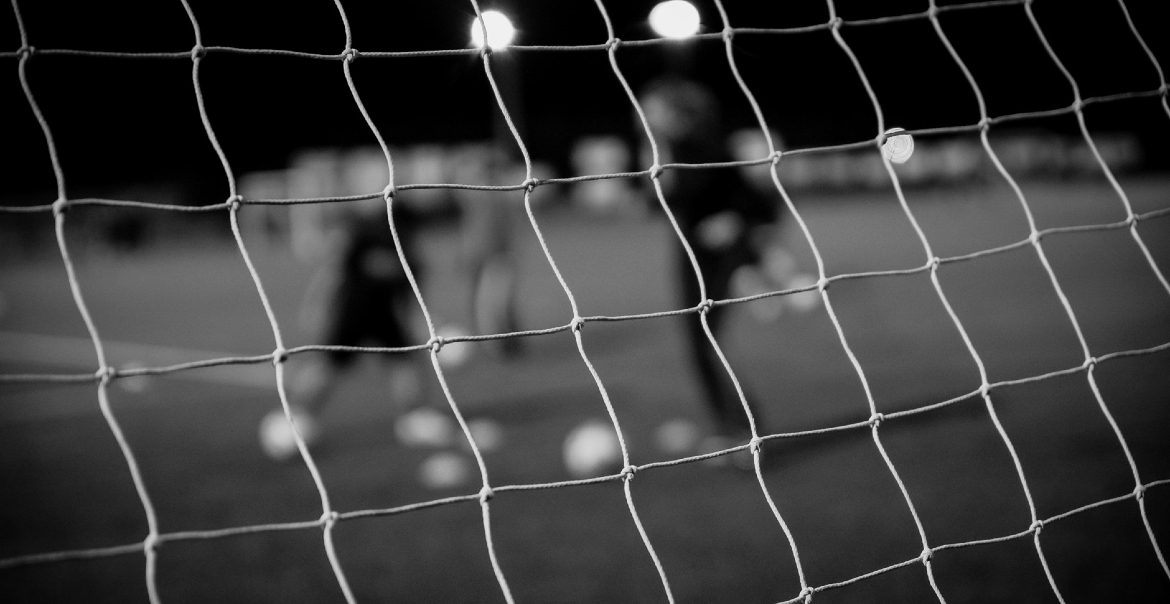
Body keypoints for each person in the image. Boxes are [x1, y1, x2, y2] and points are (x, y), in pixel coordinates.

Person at [637, 77, 789, 451]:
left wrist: (735, 221)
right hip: (690, 258)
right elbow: (659, 204)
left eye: (653, 108)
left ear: (678, 113)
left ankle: (744, 433)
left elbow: (762, 205)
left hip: (720, 259)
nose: (645, 115)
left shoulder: (711, 147)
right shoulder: (666, 151)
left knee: (708, 342)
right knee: (698, 344)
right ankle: (731, 429)